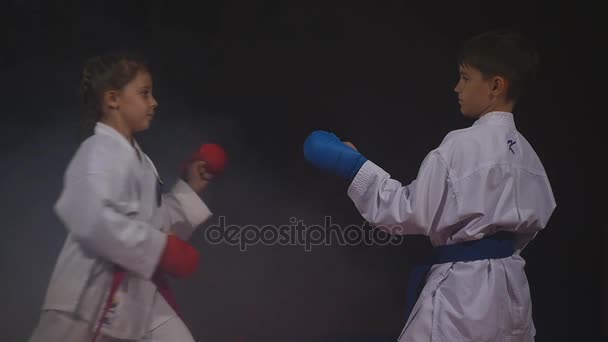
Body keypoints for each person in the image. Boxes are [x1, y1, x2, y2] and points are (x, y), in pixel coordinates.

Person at [304, 29, 556, 341]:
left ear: (495, 85)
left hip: (463, 293)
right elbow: (532, 225)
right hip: (512, 289)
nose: (457, 87)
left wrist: (354, 166)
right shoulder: (528, 156)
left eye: (465, 78)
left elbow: (406, 213)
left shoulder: (462, 145)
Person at [29, 52, 214, 341]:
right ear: (113, 99)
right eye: (144, 93)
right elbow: (90, 217)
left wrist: (188, 189)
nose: (154, 102)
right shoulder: (97, 150)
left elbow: (154, 224)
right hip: (85, 300)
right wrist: (160, 249)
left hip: (134, 298)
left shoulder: (142, 162)